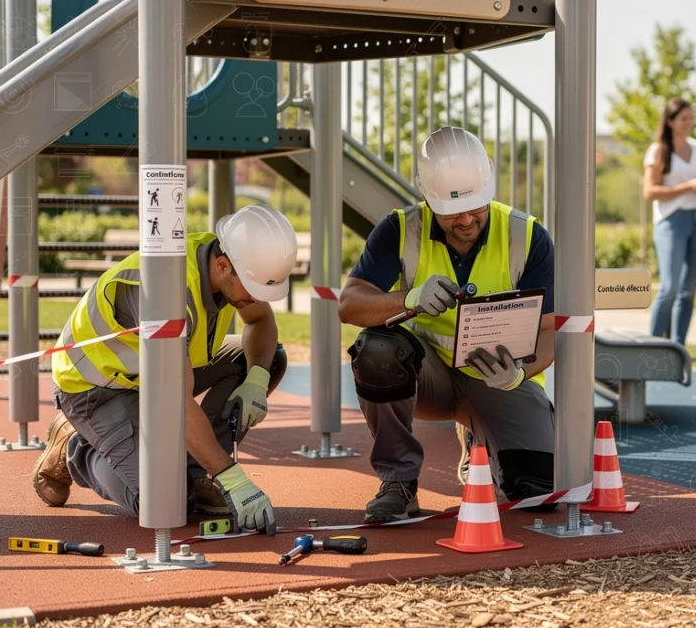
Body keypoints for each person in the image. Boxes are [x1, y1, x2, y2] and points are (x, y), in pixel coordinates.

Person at [32, 204, 299, 536]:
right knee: (163, 501)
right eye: (255, 289)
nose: (259, 299)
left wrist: (257, 379)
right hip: (96, 388)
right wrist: (234, 479)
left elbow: (260, 322)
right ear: (222, 266)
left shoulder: (228, 261)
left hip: (156, 375)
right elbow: (175, 403)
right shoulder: (166, 289)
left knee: (266, 359)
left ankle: (196, 476)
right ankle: (78, 447)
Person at [338, 126, 557, 524]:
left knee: (539, 495)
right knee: (377, 348)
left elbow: (549, 332)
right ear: (427, 197)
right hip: (429, 379)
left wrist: (519, 373)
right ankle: (398, 481)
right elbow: (349, 305)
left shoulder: (527, 236)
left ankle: (480, 437)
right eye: (453, 211)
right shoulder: (400, 229)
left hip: (501, 381)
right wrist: (408, 299)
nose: (467, 219)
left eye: (476, 206)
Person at [643, 97, 696, 345]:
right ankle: (652, 347)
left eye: (691, 118)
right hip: (671, 221)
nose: (689, 122)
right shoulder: (658, 151)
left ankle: (678, 348)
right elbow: (649, 192)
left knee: (688, 291)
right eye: (684, 118)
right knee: (669, 288)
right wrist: (687, 187)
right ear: (670, 121)